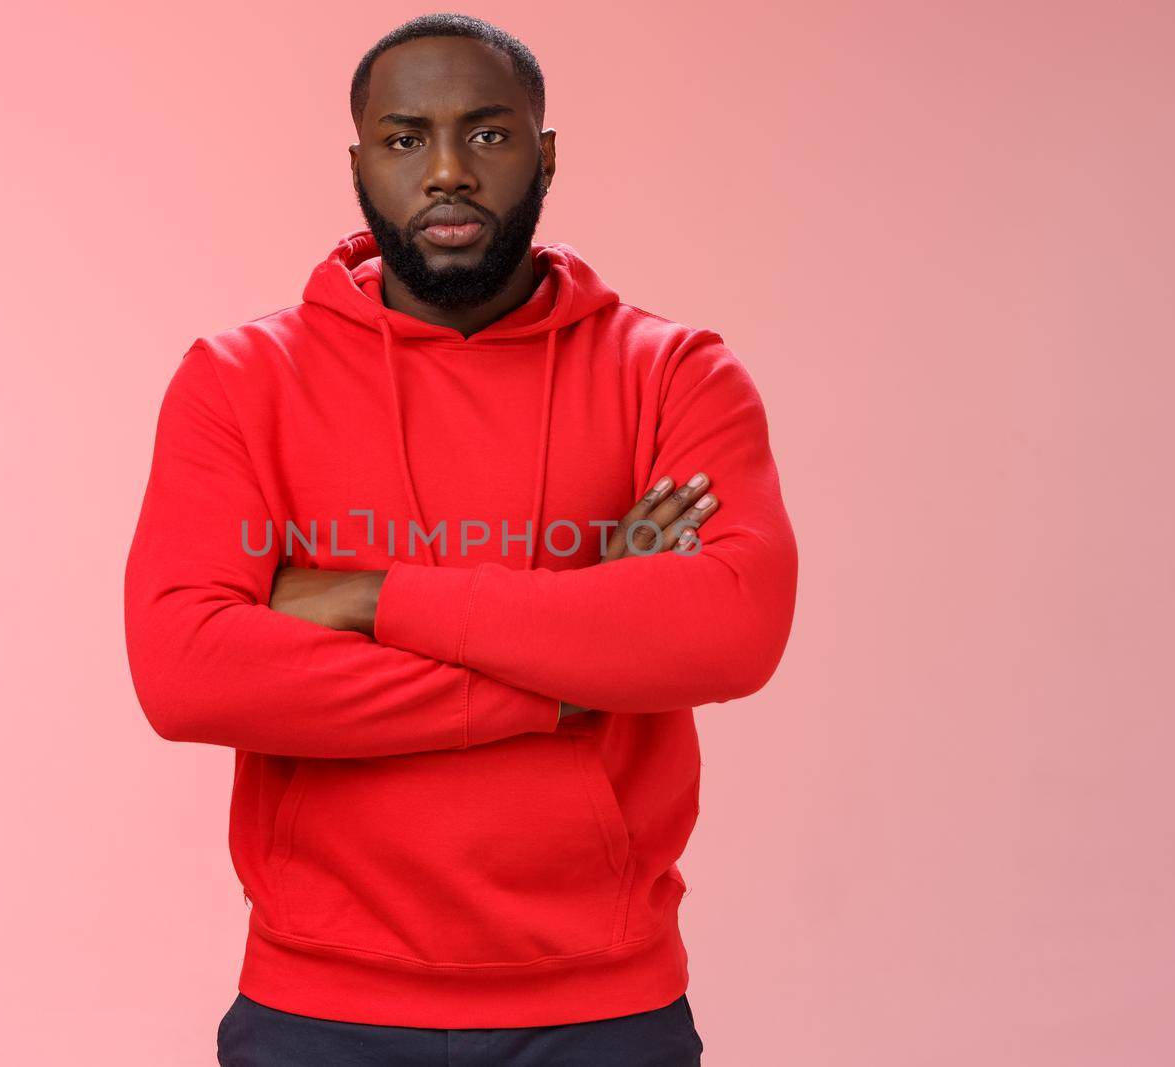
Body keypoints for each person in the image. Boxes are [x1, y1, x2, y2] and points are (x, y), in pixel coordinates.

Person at [123, 12, 798, 1064]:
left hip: (603, 1007)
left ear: (546, 151)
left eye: (487, 134)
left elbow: (730, 633)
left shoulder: (673, 374)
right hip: (317, 1008)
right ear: (359, 164)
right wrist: (572, 665)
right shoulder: (241, 380)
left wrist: (361, 594)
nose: (446, 171)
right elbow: (187, 673)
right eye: (404, 139)